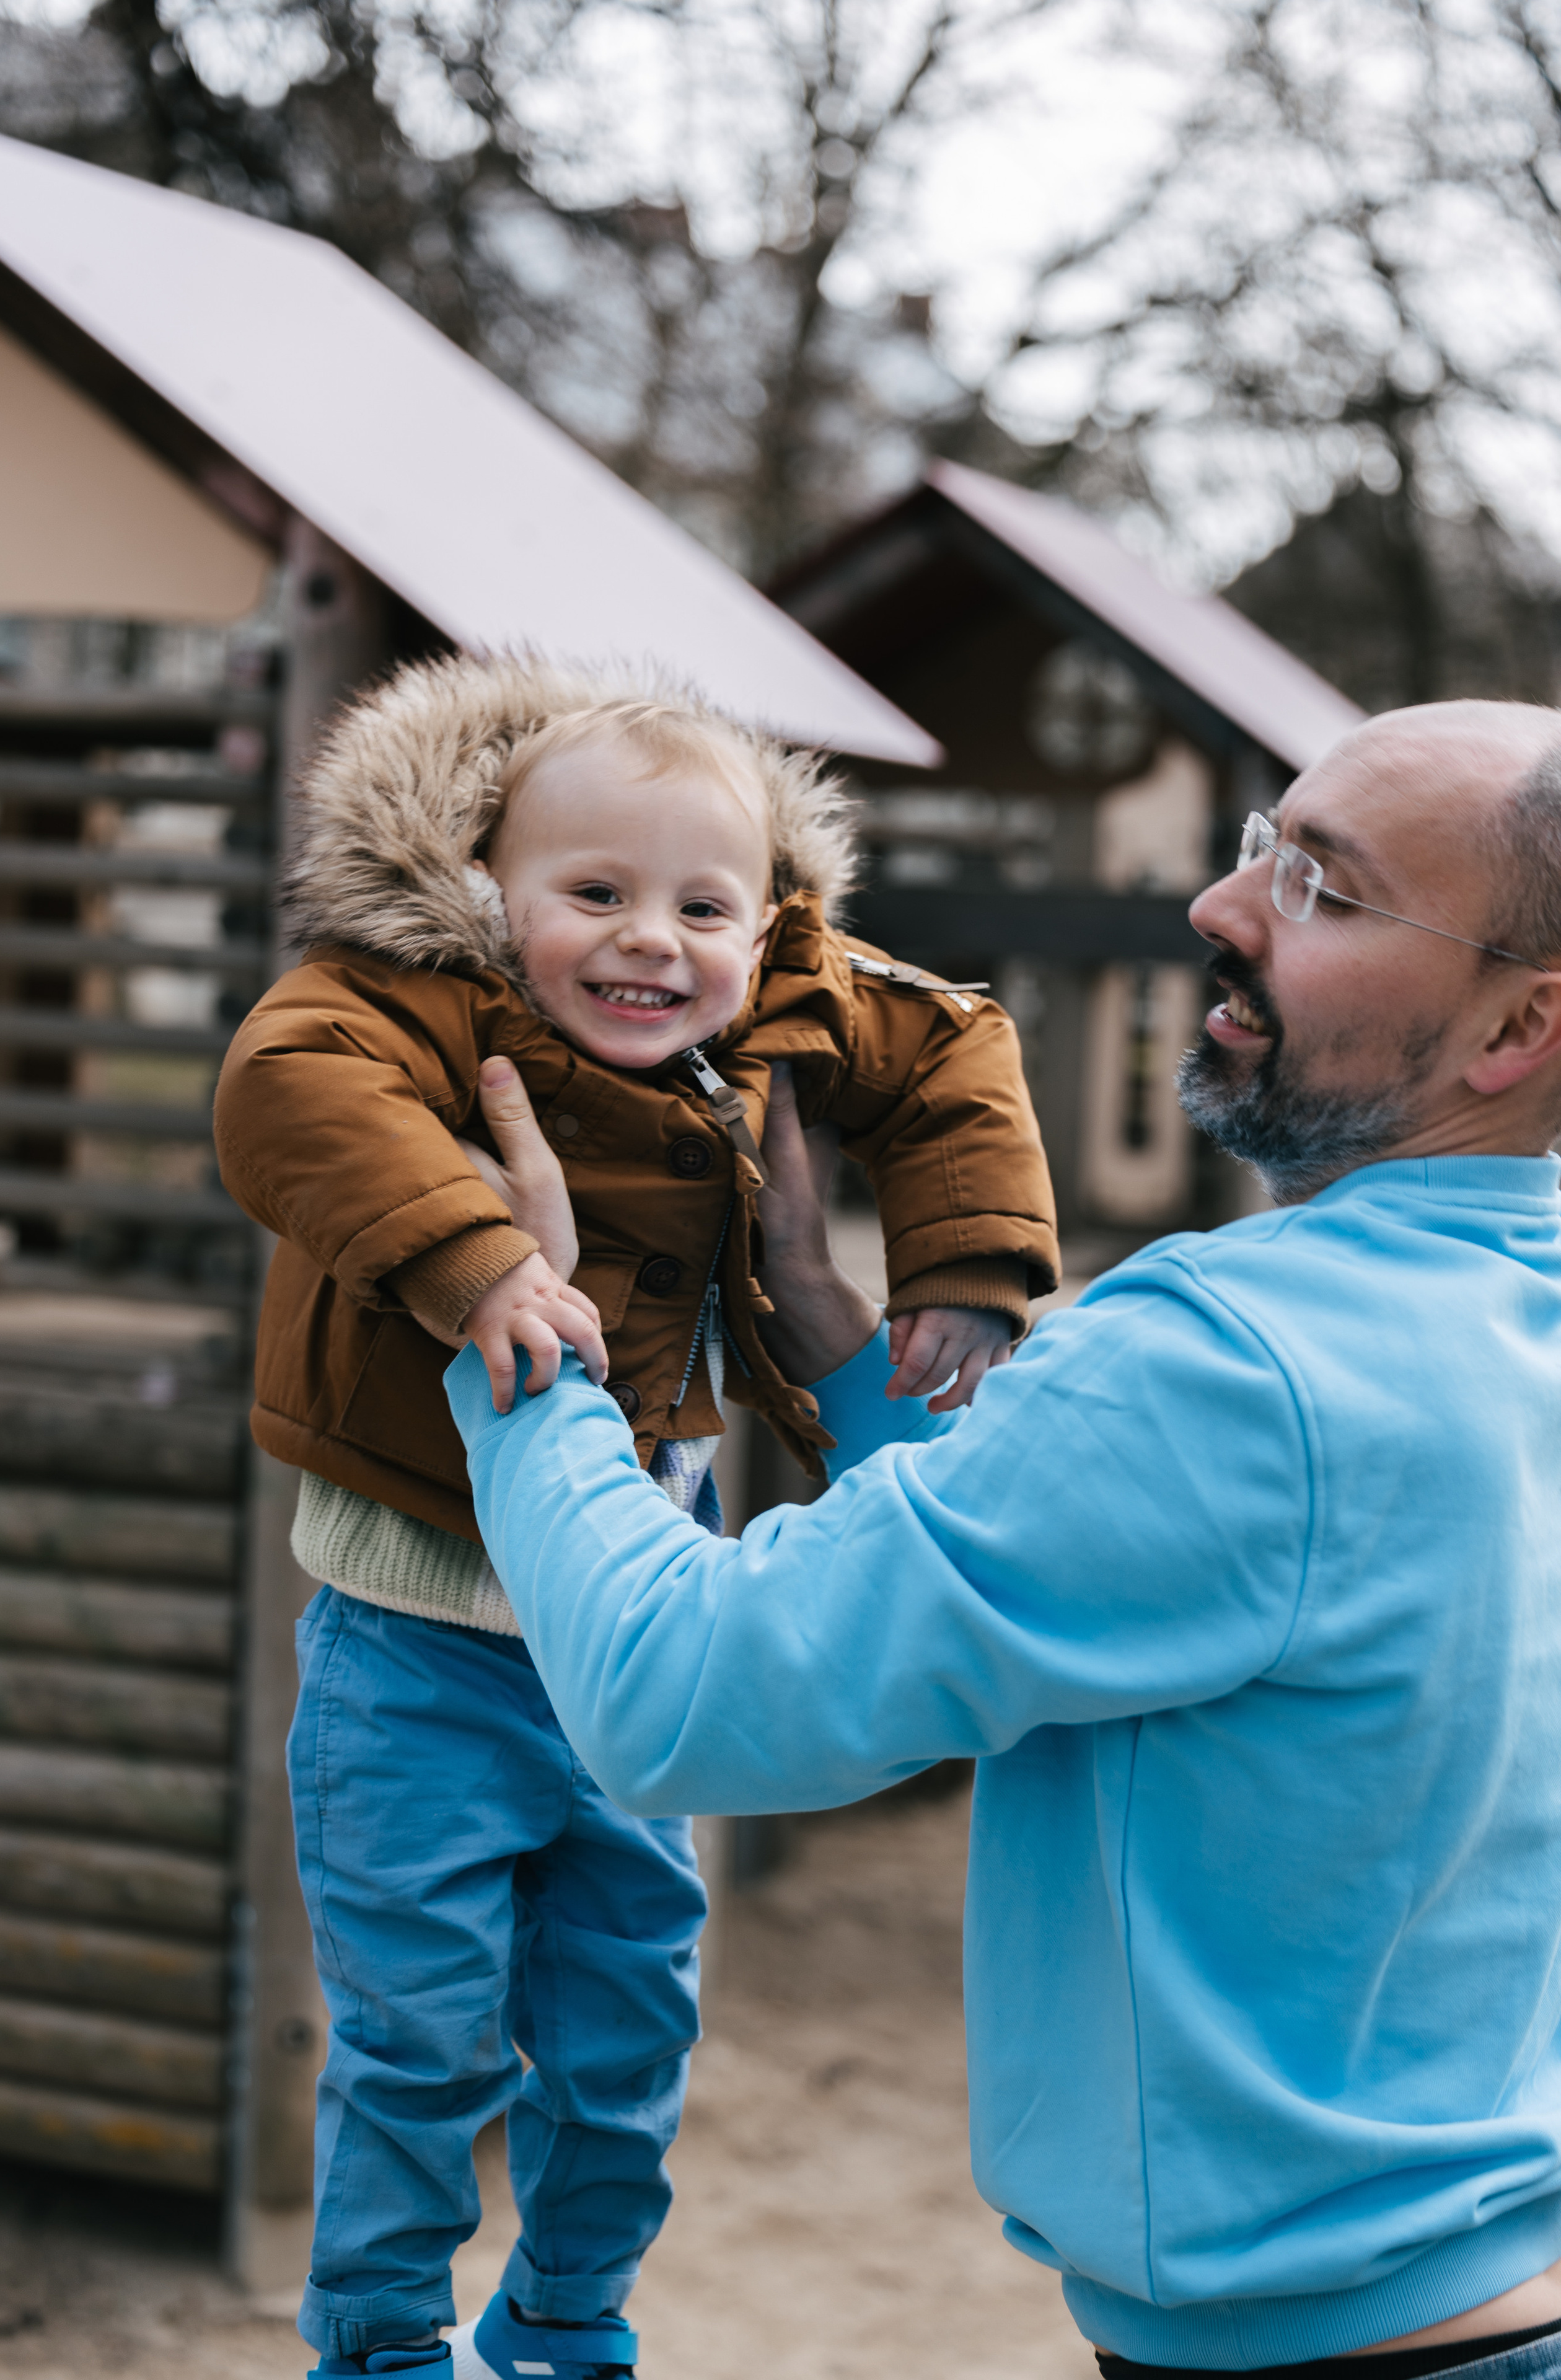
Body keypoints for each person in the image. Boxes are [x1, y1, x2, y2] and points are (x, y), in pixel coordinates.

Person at [445, 700, 1561, 2379]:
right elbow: (1170, 1559)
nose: (1222, 904)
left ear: (1520, 1025)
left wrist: (519, 1340)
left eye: (1324, 889)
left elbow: (684, 1698)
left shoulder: (1223, 1359)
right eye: (1266, 841)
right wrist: (831, 1325)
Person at [212, 651, 1055, 2379]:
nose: (650, 941)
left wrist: (963, 1261)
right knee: (422, 2037)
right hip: (415, 1647)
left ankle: (571, 2314)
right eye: (590, 895)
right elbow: (287, 1087)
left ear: (766, 925)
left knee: (627, 2034)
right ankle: (377, 2333)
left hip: (638, 1637)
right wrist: (483, 1256)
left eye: (701, 905)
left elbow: (962, 1045)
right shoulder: (405, 996)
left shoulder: (788, 994)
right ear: (486, 895)